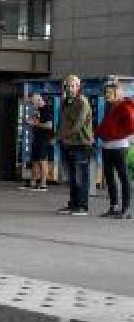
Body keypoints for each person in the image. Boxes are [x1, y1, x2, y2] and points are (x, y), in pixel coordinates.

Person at [56, 74, 94, 217]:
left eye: (73, 86)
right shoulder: (65, 101)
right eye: (68, 86)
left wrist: (62, 136)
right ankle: (73, 204)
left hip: (81, 144)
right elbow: (62, 122)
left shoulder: (82, 102)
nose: (70, 88)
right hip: (68, 144)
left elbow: (78, 124)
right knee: (72, 176)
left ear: (78, 87)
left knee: (80, 177)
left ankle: (83, 206)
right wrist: (59, 136)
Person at [96, 77, 134, 219]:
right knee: (110, 177)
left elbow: (131, 126)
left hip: (119, 146)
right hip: (107, 146)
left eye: (109, 93)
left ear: (117, 93)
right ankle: (113, 206)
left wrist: (117, 134)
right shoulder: (109, 106)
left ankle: (125, 209)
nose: (106, 95)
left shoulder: (125, 106)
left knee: (123, 177)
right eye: (105, 93)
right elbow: (106, 125)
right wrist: (99, 133)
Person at [20, 93, 53, 192]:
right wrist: (31, 120)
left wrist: (35, 123)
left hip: (44, 139)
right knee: (35, 161)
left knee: (42, 161)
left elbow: (49, 125)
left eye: (34, 102)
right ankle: (32, 183)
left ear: (39, 100)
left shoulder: (47, 109)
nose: (33, 104)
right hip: (37, 138)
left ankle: (43, 184)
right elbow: (34, 120)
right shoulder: (38, 110)